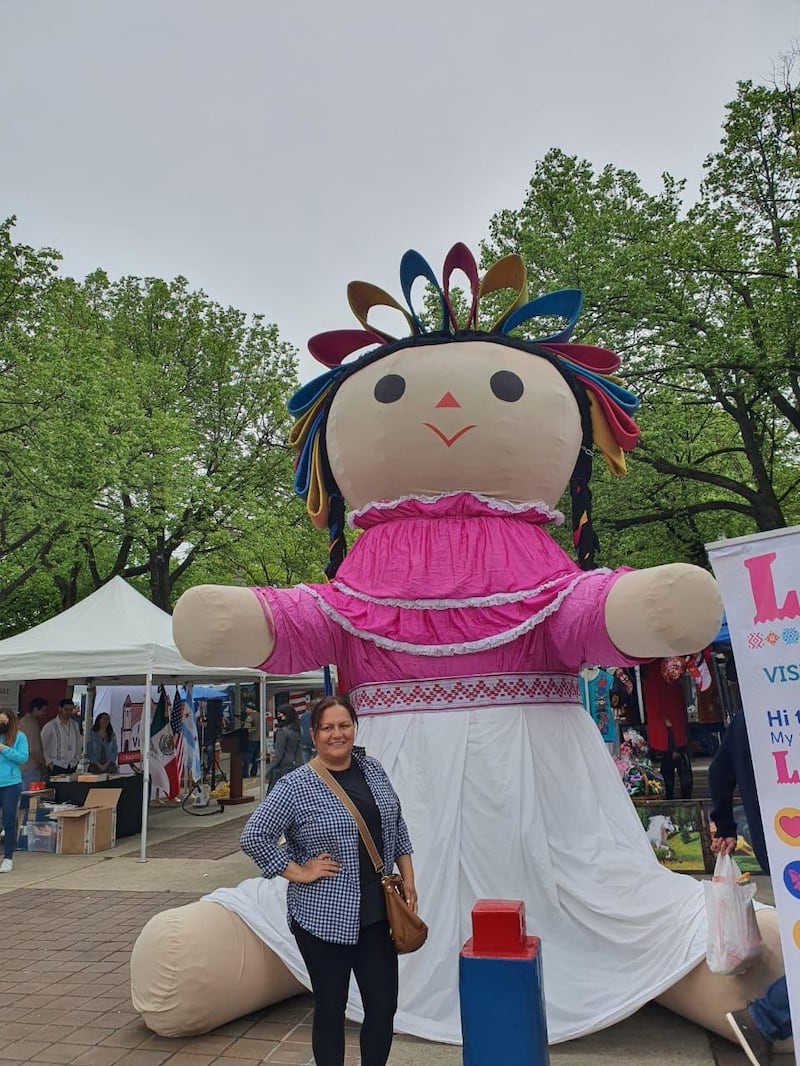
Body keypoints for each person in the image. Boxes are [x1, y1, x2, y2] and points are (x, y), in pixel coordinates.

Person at [241, 694, 416, 1066]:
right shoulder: (296, 785)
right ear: (314, 734)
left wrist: (409, 881)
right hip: (323, 917)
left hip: (377, 915)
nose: (337, 734)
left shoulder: (373, 769)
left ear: (354, 727)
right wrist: (299, 871)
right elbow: (254, 836)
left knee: (383, 1007)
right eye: (328, 728)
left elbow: (396, 825)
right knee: (331, 1011)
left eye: (344, 725)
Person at [708, 711, 792, 1065]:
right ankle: (766, 1017)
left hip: (779, 843)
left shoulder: (752, 715)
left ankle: (768, 1017)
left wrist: (725, 824)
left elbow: (718, 772)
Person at [641, 659, 693, 800]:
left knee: (671, 759)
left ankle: (672, 792)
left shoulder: (653, 668)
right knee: (674, 758)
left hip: (668, 717)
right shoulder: (668, 665)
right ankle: (680, 792)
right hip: (670, 716)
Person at [0, 709, 29, 872]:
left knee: (9, 820)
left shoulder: (20, 737)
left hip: (10, 784)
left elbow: (23, 758)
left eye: (4, 722)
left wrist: (4, 748)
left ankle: (8, 857)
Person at [41, 698, 82, 776]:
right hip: (56, 765)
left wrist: (77, 758)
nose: (68, 712)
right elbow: (42, 745)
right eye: (66, 709)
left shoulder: (74, 724)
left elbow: (79, 743)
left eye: (71, 710)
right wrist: (49, 762)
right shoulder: (50, 726)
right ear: (60, 709)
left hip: (72, 765)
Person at [266, 705, 303, 791]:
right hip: (297, 765)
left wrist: (268, 773)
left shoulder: (282, 732)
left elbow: (278, 754)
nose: (279, 716)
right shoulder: (298, 730)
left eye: (280, 714)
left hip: (282, 767)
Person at [19, 697, 48, 788]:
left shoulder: (22, 721)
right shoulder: (30, 724)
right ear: (35, 709)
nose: (45, 713)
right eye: (43, 710)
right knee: (30, 798)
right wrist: (43, 764)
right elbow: (34, 749)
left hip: (22, 765)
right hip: (30, 766)